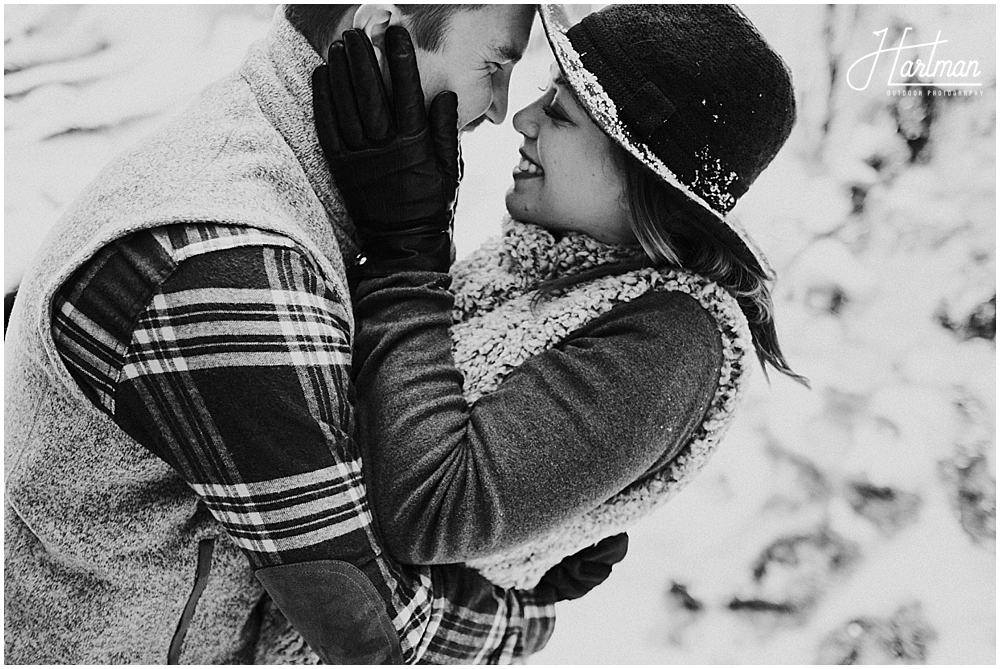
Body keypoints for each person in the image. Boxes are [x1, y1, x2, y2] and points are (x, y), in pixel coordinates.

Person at [3, 5, 627, 664]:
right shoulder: (233, 265)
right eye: (494, 66)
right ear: (382, 33)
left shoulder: (255, 144)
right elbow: (374, 628)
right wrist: (531, 610)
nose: (502, 109)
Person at [313, 2, 808, 596]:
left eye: (560, 114)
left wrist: (404, 254)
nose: (521, 118)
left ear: (638, 175)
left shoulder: (672, 342)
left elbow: (433, 512)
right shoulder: (543, 266)